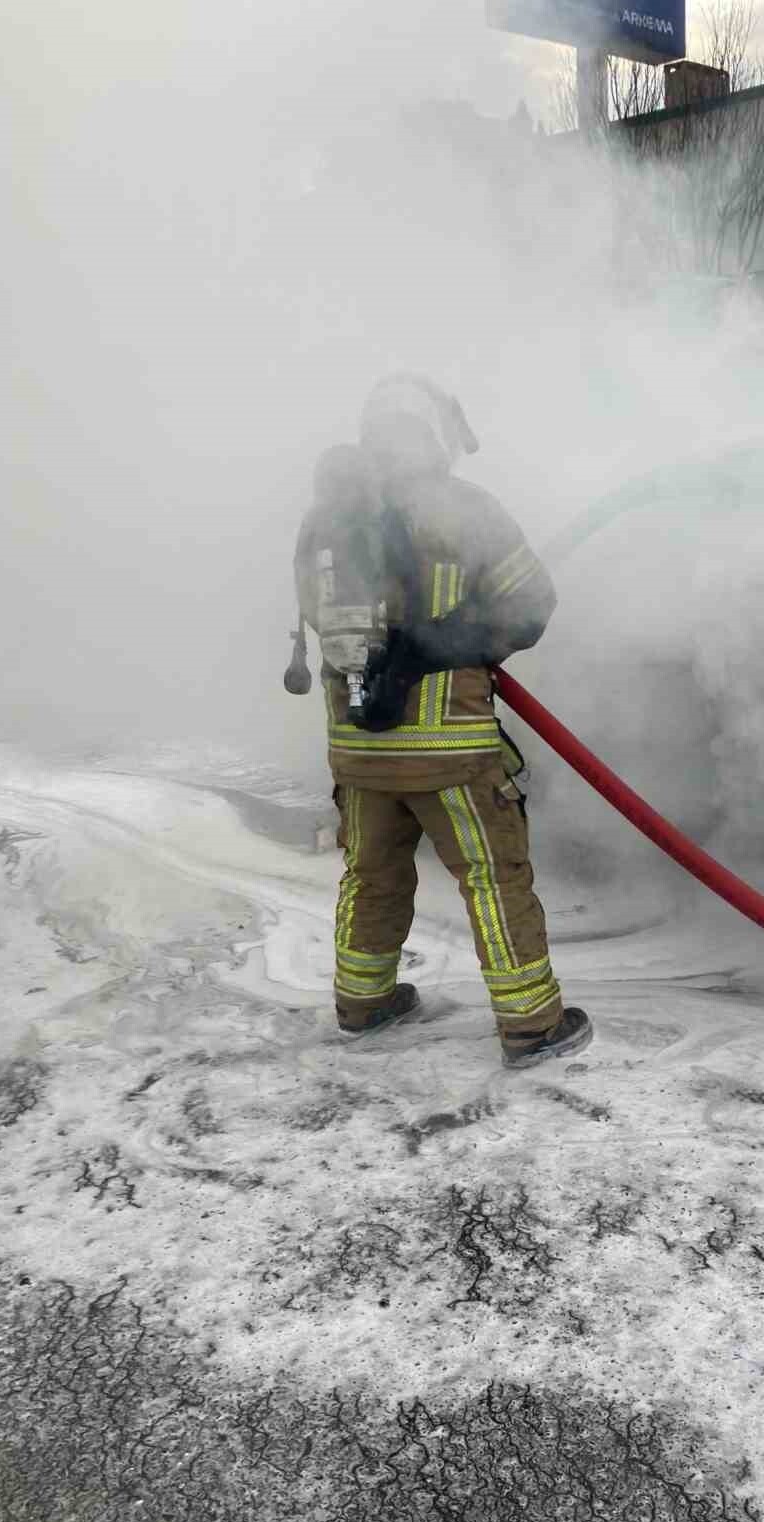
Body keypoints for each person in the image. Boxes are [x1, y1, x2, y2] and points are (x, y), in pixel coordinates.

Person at [290, 374, 591, 1066]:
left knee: (372, 875)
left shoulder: (326, 520)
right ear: (435, 437)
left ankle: (363, 1005)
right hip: (449, 753)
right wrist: (446, 643)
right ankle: (532, 1025)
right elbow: (532, 604)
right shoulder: (465, 510)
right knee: (492, 876)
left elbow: (318, 618)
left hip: (358, 751)